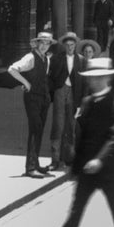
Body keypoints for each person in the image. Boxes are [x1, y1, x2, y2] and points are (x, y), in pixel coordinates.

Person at [38, 57, 114, 227]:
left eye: (100, 78)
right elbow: (80, 136)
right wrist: (74, 165)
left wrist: (99, 160)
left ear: (108, 78)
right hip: (86, 170)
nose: (96, 82)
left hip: (108, 168)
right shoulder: (87, 103)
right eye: (92, 78)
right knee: (75, 210)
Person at [9, 31, 54, 177]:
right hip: (33, 98)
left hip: (43, 98)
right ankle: (30, 168)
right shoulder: (30, 57)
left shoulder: (46, 59)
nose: (44, 46)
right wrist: (26, 83)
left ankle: (36, 163)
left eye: (47, 43)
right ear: (37, 43)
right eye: (42, 43)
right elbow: (12, 69)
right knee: (35, 130)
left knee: (39, 130)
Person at [47, 31, 82, 173]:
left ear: (75, 45)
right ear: (64, 46)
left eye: (72, 45)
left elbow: (82, 81)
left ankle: (69, 158)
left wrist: (80, 101)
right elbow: (50, 77)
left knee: (71, 126)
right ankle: (55, 160)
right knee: (58, 125)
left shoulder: (80, 60)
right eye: (67, 45)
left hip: (74, 93)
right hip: (60, 91)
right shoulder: (57, 58)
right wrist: (53, 91)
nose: (70, 47)